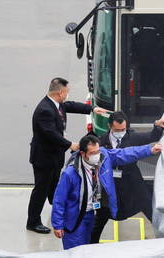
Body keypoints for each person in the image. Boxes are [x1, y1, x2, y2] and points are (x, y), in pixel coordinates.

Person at [51, 135, 162, 249]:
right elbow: (59, 200)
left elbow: (125, 153)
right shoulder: (70, 174)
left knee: (88, 247)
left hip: (90, 214)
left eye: (98, 151)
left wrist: (149, 149)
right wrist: (57, 224)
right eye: (92, 153)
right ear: (82, 154)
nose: (96, 155)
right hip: (75, 218)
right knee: (75, 250)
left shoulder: (104, 157)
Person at [27, 77, 108, 234]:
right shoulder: (45, 110)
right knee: (41, 190)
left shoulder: (56, 104)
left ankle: (56, 207)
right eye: (67, 92)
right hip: (44, 158)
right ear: (60, 92)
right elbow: (50, 133)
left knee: (54, 185)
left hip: (54, 155)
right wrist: (70, 144)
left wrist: (92, 109)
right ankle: (33, 221)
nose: (67, 95)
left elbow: (70, 106)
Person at [90, 111, 164, 243]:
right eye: (117, 130)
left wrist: (157, 125)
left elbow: (151, 136)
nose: (121, 132)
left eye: (123, 129)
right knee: (102, 215)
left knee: (148, 206)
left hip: (132, 179)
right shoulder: (101, 141)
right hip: (111, 182)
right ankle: (91, 244)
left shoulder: (133, 137)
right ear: (110, 127)